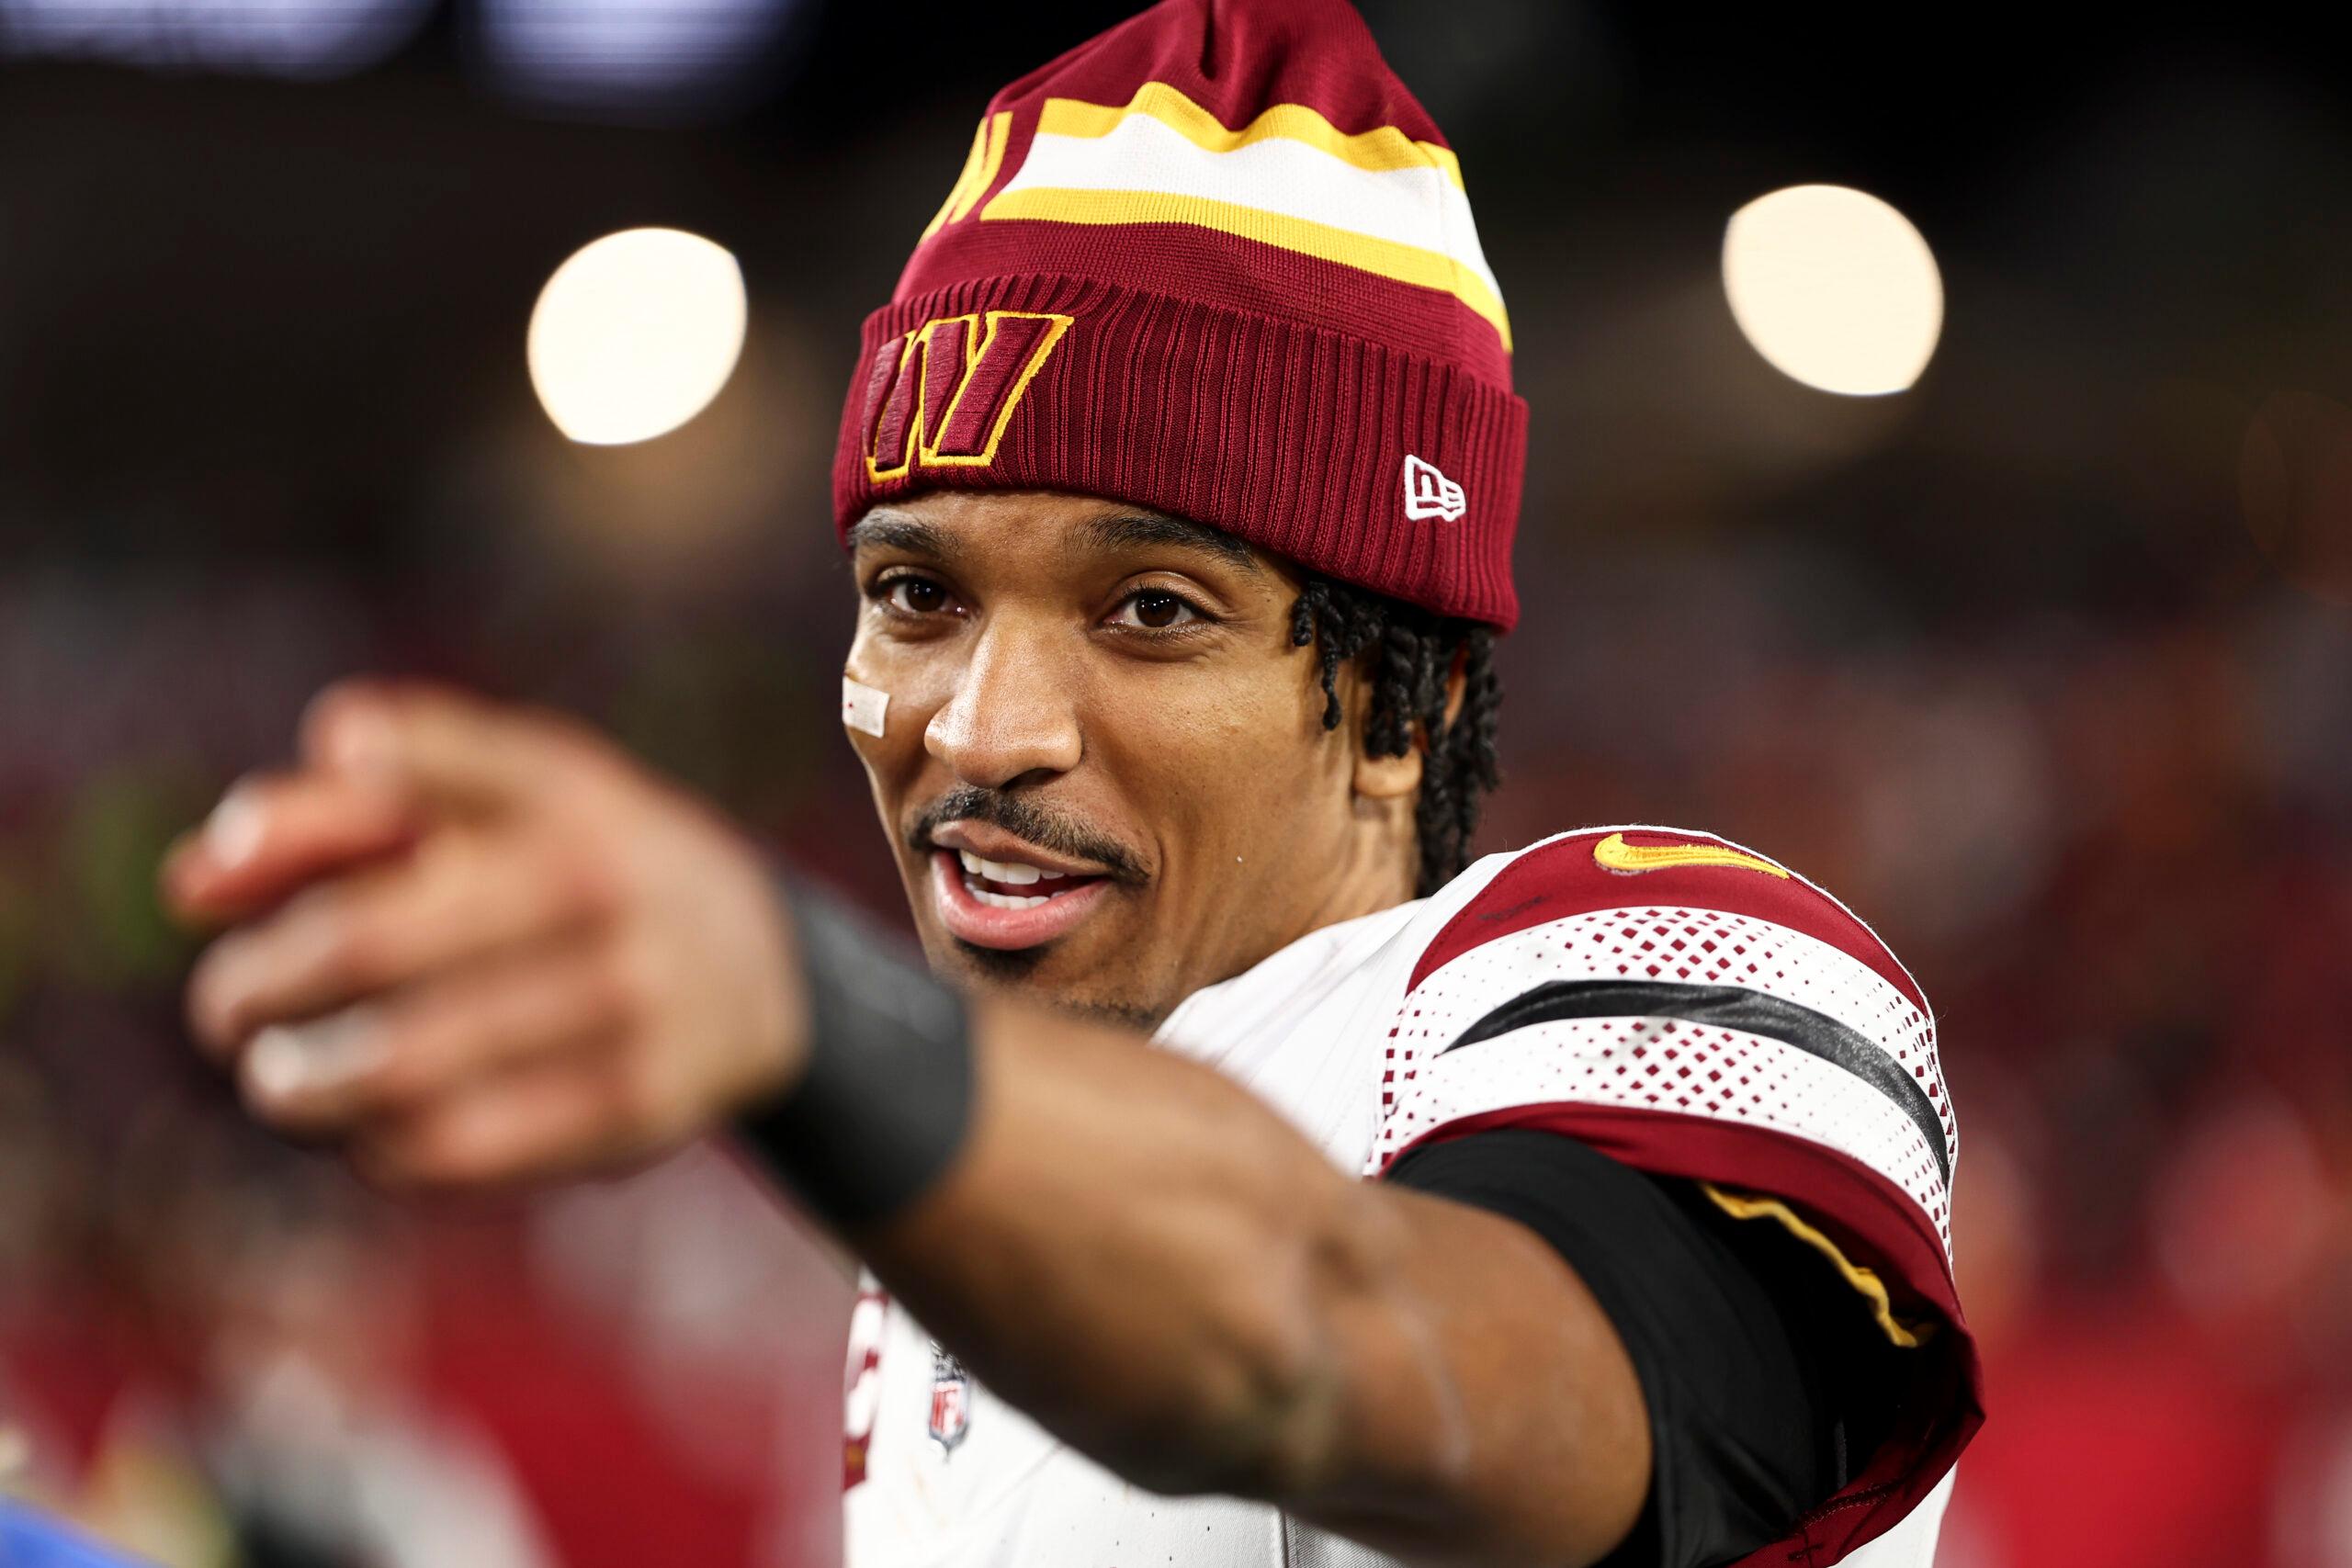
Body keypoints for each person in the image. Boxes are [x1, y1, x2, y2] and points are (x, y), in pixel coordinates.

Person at [160, 1, 1983, 1563]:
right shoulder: (959, 1251)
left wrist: (809, 1013)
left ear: (1400, 705)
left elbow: (1333, 1337)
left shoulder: (1665, 969)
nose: (979, 729)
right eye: (917, 596)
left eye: (1151, 610)